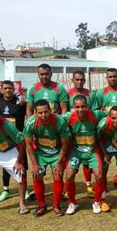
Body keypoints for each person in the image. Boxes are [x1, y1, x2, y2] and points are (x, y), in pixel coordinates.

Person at [25, 63, 68, 201]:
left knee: (59, 168)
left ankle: (61, 193)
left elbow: (64, 110)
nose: (44, 76)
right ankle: (41, 201)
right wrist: (32, 125)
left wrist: (58, 123)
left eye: (47, 74)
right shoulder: (32, 89)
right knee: (38, 171)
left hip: (56, 129)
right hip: (40, 130)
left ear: (51, 74)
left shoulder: (59, 88)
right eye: (41, 74)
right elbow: (29, 110)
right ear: (38, 74)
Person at [23, 100, 70, 217]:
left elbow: (65, 143)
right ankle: (42, 205)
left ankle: (56, 205)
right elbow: (28, 145)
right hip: (40, 153)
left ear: (50, 110)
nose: (43, 115)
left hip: (57, 152)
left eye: (46, 111)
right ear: (35, 113)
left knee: (58, 174)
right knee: (37, 175)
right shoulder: (30, 122)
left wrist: (59, 162)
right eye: (40, 113)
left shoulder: (59, 121)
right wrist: (34, 164)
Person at [63, 95, 107, 215]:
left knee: (99, 175)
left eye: (83, 106)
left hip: (92, 151)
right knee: (69, 176)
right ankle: (72, 203)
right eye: (77, 107)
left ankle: (96, 202)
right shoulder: (68, 117)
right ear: (73, 108)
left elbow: (111, 115)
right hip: (75, 152)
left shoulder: (96, 115)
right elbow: (55, 120)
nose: (80, 110)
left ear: (87, 106)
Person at [0, 80, 27, 202]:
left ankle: (25, 189)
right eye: (5, 88)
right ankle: (6, 189)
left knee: (22, 164)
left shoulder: (20, 103)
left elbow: (28, 108)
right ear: (1, 90)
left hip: (18, 139)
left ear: (13, 89)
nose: (8, 90)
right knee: (5, 165)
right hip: (4, 139)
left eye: (10, 88)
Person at [66, 70, 97, 196]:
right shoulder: (67, 94)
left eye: (82, 79)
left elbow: (94, 112)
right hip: (72, 128)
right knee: (70, 159)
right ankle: (67, 189)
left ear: (85, 80)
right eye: (77, 79)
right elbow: (63, 110)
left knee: (87, 155)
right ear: (72, 80)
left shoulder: (90, 94)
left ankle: (88, 184)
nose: (79, 82)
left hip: (87, 126)